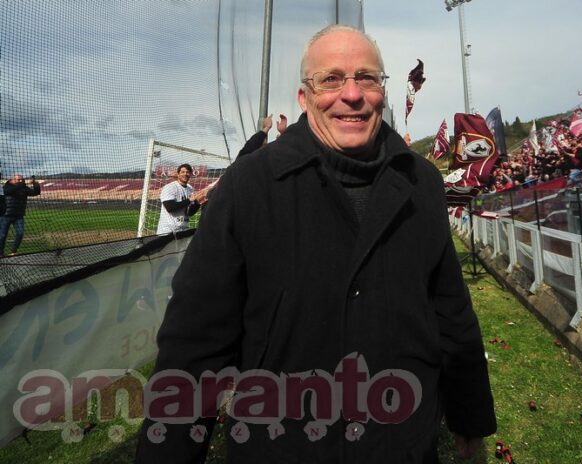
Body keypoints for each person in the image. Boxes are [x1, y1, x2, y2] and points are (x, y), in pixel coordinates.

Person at [136, 24, 496, 463]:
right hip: (281, 445)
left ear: (382, 92)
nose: (352, 94)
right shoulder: (249, 186)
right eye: (331, 79)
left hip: (403, 442)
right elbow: (195, 341)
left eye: (367, 78)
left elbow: (450, 307)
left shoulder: (421, 181)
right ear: (304, 98)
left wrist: (469, 411)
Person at [0, 174, 41, 257]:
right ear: (12, 180)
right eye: (18, 179)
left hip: (19, 216)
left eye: (21, 179)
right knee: (2, 236)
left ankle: (14, 251)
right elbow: (8, 192)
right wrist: (22, 184)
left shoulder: (24, 188)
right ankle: (0, 253)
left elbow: (36, 192)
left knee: (20, 233)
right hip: (5, 215)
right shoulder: (7, 187)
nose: (21, 181)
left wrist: (35, 184)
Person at [155, 163, 202, 235]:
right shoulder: (170, 187)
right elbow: (170, 208)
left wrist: (197, 203)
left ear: (190, 174)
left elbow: (189, 213)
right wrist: (189, 200)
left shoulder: (190, 189)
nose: (185, 174)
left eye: (188, 172)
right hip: (168, 231)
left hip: (183, 230)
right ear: (178, 174)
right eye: (182, 172)